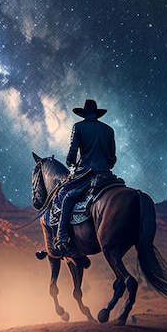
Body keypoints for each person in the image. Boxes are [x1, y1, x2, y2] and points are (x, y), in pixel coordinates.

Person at [54, 99, 117, 254]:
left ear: (84, 114)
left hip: (87, 175)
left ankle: (62, 238)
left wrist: (71, 163)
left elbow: (72, 153)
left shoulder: (78, 127)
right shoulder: (108, 130)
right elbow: (112, 159)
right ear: (97, 114)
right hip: (106, 176)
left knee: (67, 197)